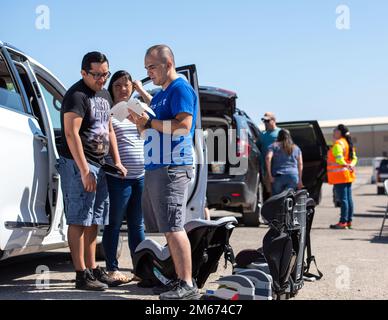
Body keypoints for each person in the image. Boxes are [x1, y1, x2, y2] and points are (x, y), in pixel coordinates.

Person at [128, 44, 200, 300]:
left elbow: (183, 127)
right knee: (168, 228)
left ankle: (187, 284)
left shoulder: (180, 88)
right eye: (146, 67)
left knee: (174, 226)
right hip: (158, 166)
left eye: (153, 67)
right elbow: (152, 128)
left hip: (172, 167)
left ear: (168, 64)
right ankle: (176, 278)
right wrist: (141, 123)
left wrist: (148, 122)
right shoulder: (160, 95)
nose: (149, 72)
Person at [58, 51, 127, 291]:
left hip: (100, 164)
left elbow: (109, 129)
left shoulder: (105, 94)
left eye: (105, 74)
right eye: (96, 75)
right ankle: (80, 275)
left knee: (95, 219)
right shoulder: (76, 95)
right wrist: (84, 169)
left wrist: (116, 160)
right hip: (80, 165)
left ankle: (92, 268)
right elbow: (70, 133)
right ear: (83, 73)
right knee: (79, 219)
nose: (101, 79)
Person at [101, 70, 146, 285]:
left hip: (140, 176)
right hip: (118, 177)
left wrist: (139, 121)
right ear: (111, 88)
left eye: (126, 85)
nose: (122, 89)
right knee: (115, 223)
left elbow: (148, 136)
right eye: (117, 85)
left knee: (138, 225)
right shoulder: (108, 111)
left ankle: (140, 269)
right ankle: (111, 269)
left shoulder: (137, 108)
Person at [328, 124, 358, 230]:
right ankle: (348, 221)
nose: (333, 131)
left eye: (335, 130)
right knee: (348, 199)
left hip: (339, 176)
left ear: (339, 132)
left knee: (343, 199)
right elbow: (354, 158)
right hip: (347, 174)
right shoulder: (348, 143)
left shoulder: (338, 144)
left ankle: (343, 222)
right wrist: (350, 165)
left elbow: (338, 158)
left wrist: (344, 164)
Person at [265, 129, 303, 195]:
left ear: (279, 136)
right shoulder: (296, 148)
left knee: (277, 198)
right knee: (290, 197)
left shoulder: (274, 146)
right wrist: (300, 180)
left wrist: (270, 176)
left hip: (278, 176)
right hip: (293, 176)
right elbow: (300, 163)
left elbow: (268, 158)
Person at [259, 112, 281, 199]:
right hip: (266, 169)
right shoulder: (262, 135)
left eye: (267, 121)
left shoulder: (281, 133)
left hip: (279, 168)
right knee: (269, 191)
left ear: (273, 120)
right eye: (264, 121)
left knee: (278, 190)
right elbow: (256, 148)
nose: (265, 123)